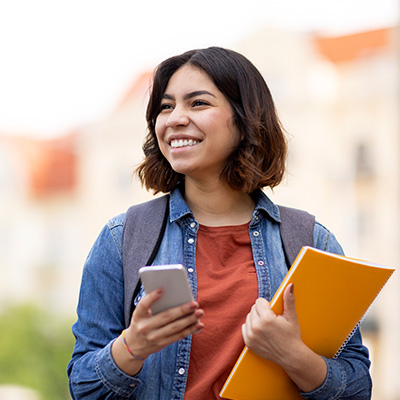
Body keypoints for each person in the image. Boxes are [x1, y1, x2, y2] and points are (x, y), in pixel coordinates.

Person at [67, 47, 372, 399]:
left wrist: (294, 357)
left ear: (245, 120)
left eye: (198, 103)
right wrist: (133, 346)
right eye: (166, 107)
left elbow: (357, 389)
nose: (175, 118)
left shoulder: (310, 241)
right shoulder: (122, 239)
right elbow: (83, 388)